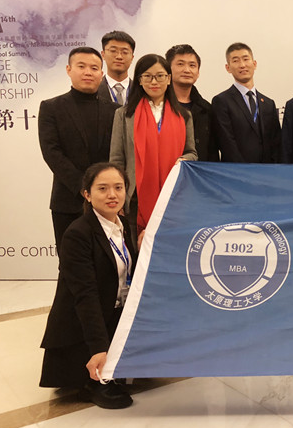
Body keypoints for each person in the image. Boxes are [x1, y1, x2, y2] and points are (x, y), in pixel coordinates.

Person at [40, 162, 138, 409]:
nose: (112, 195)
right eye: (102, 188)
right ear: (87, 194)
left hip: (113, 310)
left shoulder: (123, 226)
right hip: (83, 323)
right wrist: (99, 349)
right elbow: (86, 296)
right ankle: (91, 379)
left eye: (118, 187)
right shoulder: (78, 234)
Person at [109, 54, 197, 238]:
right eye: (147, 76)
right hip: (135, 197)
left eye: (160, 76)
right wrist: (118, 194)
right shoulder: (124, 115)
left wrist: (184, 159)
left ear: (169, 79)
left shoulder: (184, 115)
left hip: (173, 196)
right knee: (137, 249)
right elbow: (116, 159)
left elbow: (191, 153)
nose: (154, 82)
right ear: (140, 80)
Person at [38, 47, 118, 248]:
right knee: (70, 260)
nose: (88, 72)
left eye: (94, 68)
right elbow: (51, 152)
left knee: (109, 260)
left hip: (108, 202)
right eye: (81, 66)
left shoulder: (116, 111)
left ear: (101, 73)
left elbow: (118, 154)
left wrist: (103, 189)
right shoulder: (51, 107)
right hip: (68, 200)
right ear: (69, 69)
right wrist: (84, 187)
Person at [211, 42, 281, 163]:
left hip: (267, 171)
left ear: (254, 64)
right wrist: (244, 170)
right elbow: (227, 143)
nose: (242, 65)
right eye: (235, 61)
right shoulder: (221, 101)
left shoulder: (268, 104)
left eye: (245, 59)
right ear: (228, 68)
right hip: (236, 170)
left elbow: (276, 142)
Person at [165, 44, 218, 161]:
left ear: (198, 72)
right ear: (168, 70)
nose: (187, 70)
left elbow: (212, 152)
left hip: (200, 171)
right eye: (180, 64)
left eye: (192, 65)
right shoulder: (158, 105)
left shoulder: (206, 109)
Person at [97, 31, 135, 106]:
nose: (119, 57)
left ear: (132, 58)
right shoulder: (93, 90)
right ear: (103, 55)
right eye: (113, 51)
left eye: (125, 52)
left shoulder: (141, 91)